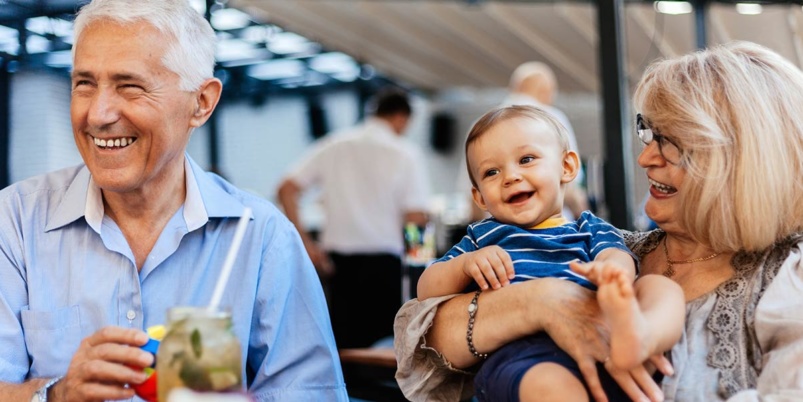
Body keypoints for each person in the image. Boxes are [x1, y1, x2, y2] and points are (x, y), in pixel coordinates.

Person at [394, 40, 803, 402]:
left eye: (671, 140)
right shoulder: (625, 247)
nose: (645, 158)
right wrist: (540, 302)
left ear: (743, 160)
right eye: (649, 134)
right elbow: (424, 331)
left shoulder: (788, 278)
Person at [0, 1, 348, 401]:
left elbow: (311, 393)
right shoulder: (14, 224)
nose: (98, 114)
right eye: (85, 84)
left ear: (201, 103)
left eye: (130, 86)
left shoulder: (261, 238)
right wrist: (56, 395)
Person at [415, 105, 684, 402]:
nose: (511, 176)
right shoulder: (483, 237)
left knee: (661, 287)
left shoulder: (590, 227)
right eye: (491, 172)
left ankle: (643, 336)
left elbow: (616, 256)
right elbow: (426, 290)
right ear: (479, 197)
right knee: (552, 388)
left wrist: (611, 274)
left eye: (526, 159)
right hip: (523, 356)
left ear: (567, 167)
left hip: (608, 341)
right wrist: (464, 265)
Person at [277, 88, 430, 349]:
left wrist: (306, 245)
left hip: (340, 269)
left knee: (344, 352)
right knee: (383, 356)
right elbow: (416, 217)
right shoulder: (405, 153)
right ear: (401, 118)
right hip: (385, 269)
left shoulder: (335, 144)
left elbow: (286, 189)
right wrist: (421, 273)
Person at [504, 61, 589, 219]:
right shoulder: (551, 118)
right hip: (553, 232)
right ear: (545, 91)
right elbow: (568, 180)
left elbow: (473, 195)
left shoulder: (482, 125)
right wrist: (585, 221)